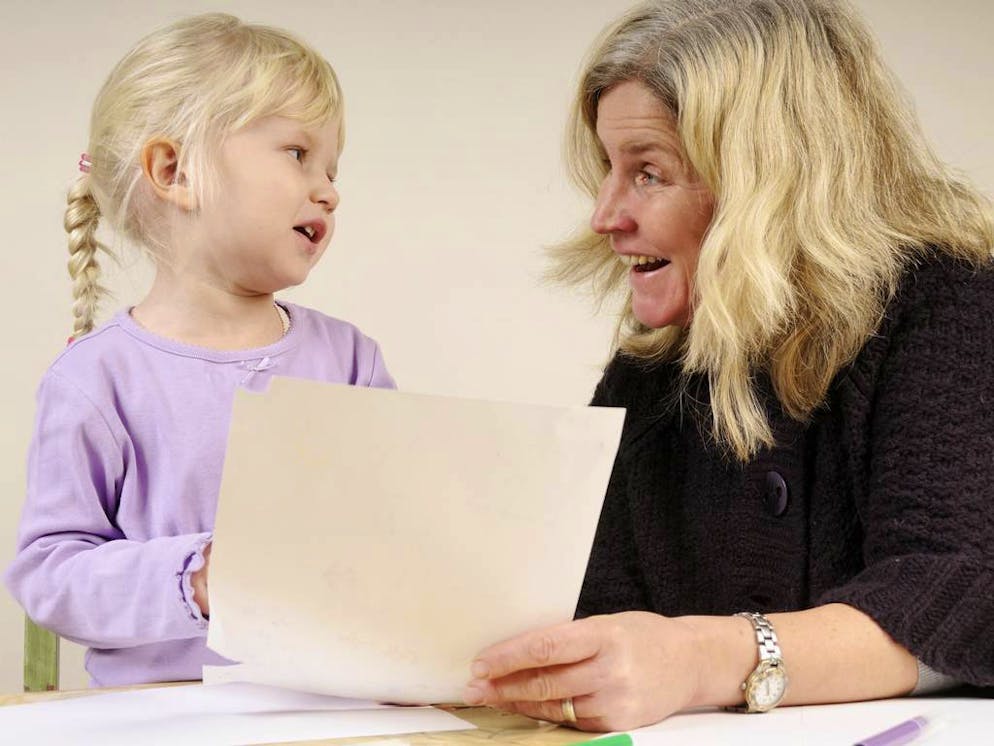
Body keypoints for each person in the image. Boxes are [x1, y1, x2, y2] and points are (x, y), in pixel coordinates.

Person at [462, 0, 994, 731]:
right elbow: (595, 605)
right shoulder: (646, 373)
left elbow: (949, 599)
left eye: (647, 172)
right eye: (610, 170)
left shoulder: (949, 302)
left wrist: (695, 657)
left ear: (770, 180)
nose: (605, 214)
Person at [4, 13, 394, 687]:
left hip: (328, 708)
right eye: (299, 154)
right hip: (158, 720)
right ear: (174, 170)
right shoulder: (97, 380)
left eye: (333, 167)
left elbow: (400, 520)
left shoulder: (351, 360)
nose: (330, 188)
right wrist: (196, 577)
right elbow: (51, 575)